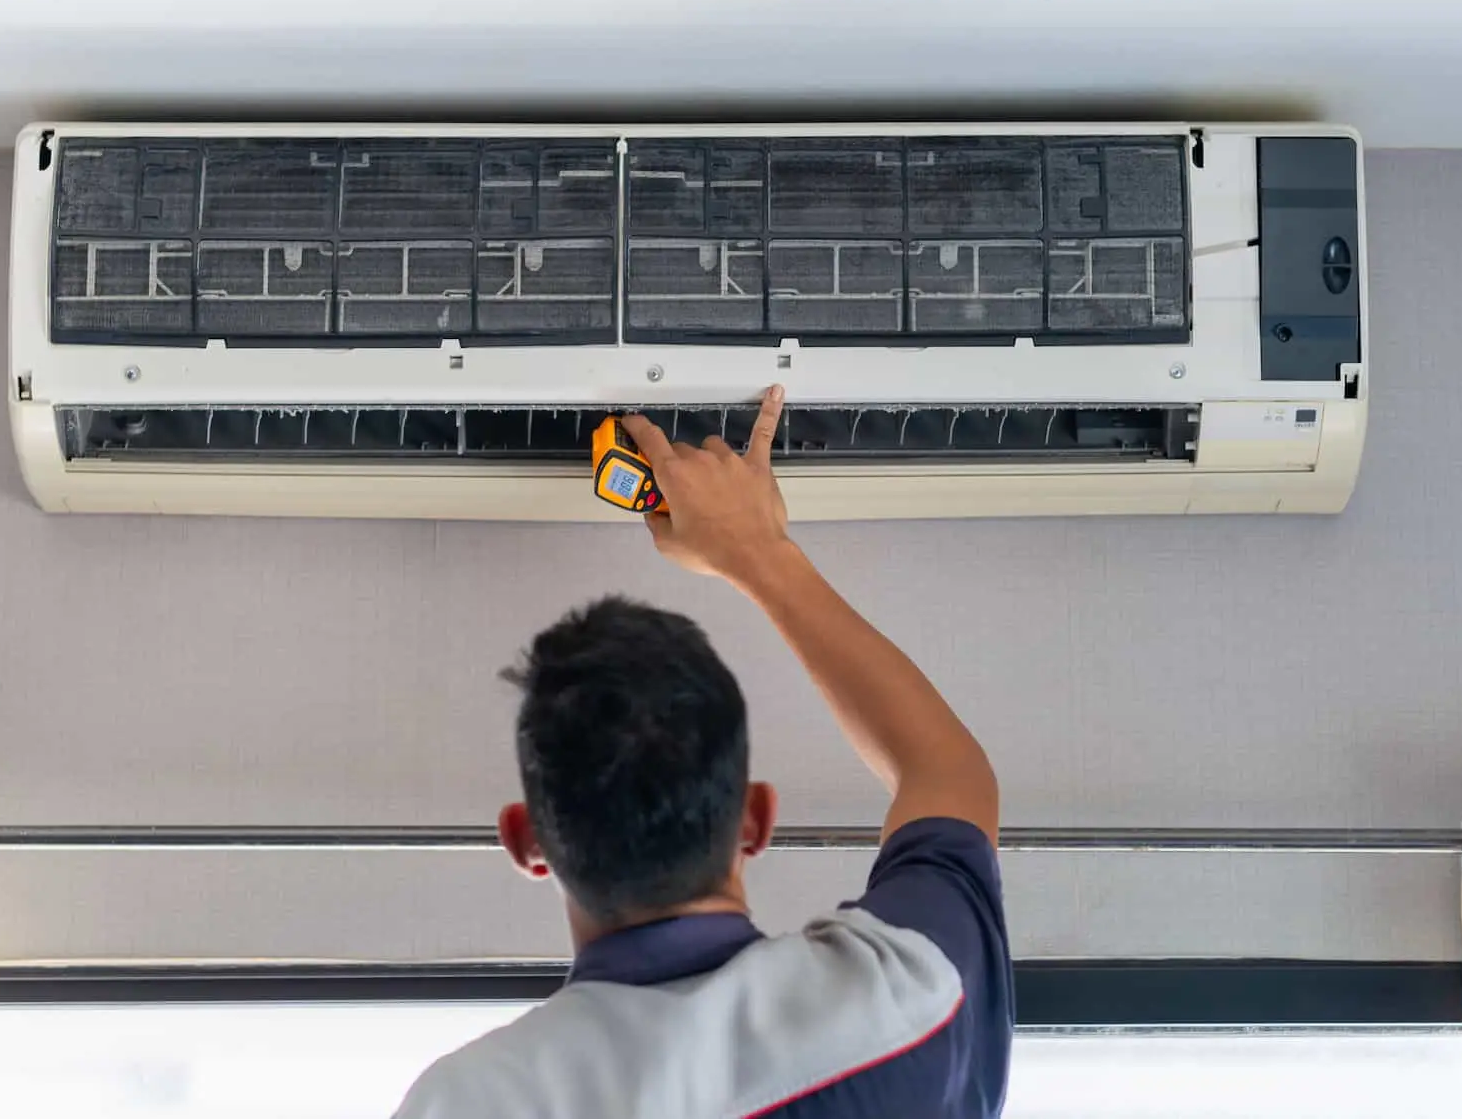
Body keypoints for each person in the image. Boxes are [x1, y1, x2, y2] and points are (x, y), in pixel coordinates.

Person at [395, 386, 1009, 1118]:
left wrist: (760, 552)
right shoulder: (903, 1001)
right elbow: (949, 776)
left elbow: (949, 778)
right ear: (755, 817)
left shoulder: (467, 1102)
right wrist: (759, 555)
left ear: (529, 843)